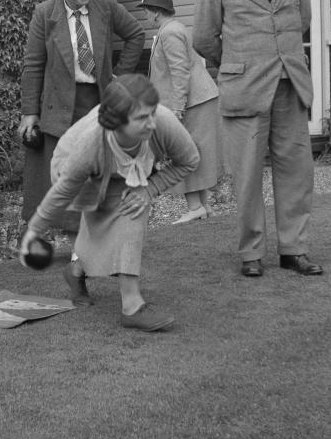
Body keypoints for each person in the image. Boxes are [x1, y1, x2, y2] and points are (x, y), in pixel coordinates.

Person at [192, 0, 323, 277]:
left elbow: (303, 22)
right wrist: (235, 65)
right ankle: (251, 254)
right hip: (244, 89)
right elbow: (203, 38)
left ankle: (293, 250)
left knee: (296, 172)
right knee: (247, 177)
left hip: (290, 85)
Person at [20, 74, 199, 332]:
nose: (151, 123)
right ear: (117, 122)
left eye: (151, 114)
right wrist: (33, 232)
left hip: (126, 171)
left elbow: (190, 160)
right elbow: (62, 191)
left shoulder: (162, 122)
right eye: (141, 118)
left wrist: (151, 189)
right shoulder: (88, 146)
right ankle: (77, 271)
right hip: (71, 168)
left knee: (133, 209)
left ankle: (132, 306)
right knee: (98, 222)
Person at [18, 0, 144, 233]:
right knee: (63, 172)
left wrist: (120, 79)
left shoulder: (106, 5)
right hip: (59, 106)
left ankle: (94, 235)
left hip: (98, 102)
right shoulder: (45, 13)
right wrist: (29, 113)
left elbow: (136, 35)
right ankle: (67, 235)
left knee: (97, 167)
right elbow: (33, 65)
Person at [139, 0, 220, 223]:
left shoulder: (170, 33)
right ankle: (201, 207)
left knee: (184, 152)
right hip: (197, 100)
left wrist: (177, 108)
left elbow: (179, 71)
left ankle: (196, 207)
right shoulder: (172, 29)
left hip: (191, 102)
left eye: (146, 10)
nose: (145, 15)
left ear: (155, 13)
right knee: (194, 151)